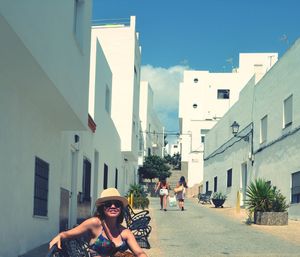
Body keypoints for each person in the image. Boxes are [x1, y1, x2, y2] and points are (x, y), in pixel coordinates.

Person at [49, 188, 148, 257]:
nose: (113, 206)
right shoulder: (95, 223)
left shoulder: (125, 232)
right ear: (102, 208)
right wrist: (61, 236)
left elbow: (139, 253)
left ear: (120, 208)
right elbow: (68, 233)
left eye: (117, 204)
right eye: (108, 204)